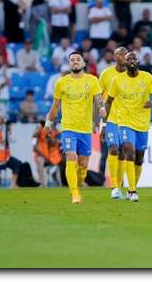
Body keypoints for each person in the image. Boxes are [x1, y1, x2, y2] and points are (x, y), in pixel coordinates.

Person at [45, 51, 105, 204]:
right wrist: (48, 122)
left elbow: (98, 100)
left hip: (85, 129)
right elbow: (55, 106)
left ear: (84, 64)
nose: (75, 61)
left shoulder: (92, 80)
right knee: (71, 157)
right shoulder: (61, 83)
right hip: (68, 128)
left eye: (78, 59)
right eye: (72, 60)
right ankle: (75, 193)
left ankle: (79, 182)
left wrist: (101, 111)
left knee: (83, 164)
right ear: (69, 64)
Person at [104, 51, 152, 202]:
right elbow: (109, 101)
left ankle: (132, 186)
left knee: (139, 158)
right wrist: (104, 120)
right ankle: (131, 191)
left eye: (133, 58)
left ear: (137, 61)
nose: (130, 60)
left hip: (142, 124)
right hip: (124, 122)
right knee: (128, 149)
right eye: (128, 58)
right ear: (124, 61)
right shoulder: (117, 80)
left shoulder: (147, 77)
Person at [98, 47, 127, 198]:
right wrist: (101, 124)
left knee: (123, 151)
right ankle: (114, 186)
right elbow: (98, 99)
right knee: (114, 149)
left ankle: (120, 185)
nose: (123, 56)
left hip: (127, 120)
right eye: (120, 54)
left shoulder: (132, 75)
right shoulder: (106, 74)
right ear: (115, 57)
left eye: (125, 54)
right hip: (110, 119)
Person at [32, 121, 62, 187]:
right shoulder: (36, 136)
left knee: (56, 166)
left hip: (50, 156)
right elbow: (34, 144)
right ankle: (43, 184)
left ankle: (59, 183)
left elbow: (53, 142)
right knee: (40, 163)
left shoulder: (47, 133)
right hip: (42, 156)